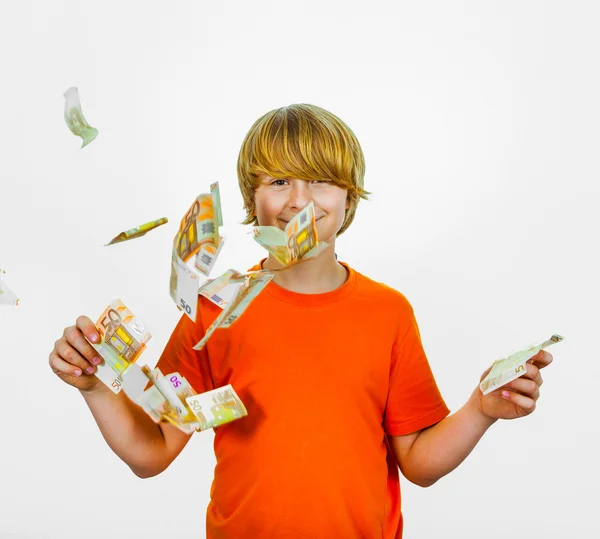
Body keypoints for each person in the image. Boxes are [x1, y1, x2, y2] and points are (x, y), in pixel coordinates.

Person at [49, 104, 553, 539]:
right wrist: (94, 386)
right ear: (252, 200)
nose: (299, 201)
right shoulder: (213, 311)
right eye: (279, 181)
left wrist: (480, 410)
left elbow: (419, 464)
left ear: (349, 199)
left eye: (321, 181)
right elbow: (152, 451)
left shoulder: (388, 313)